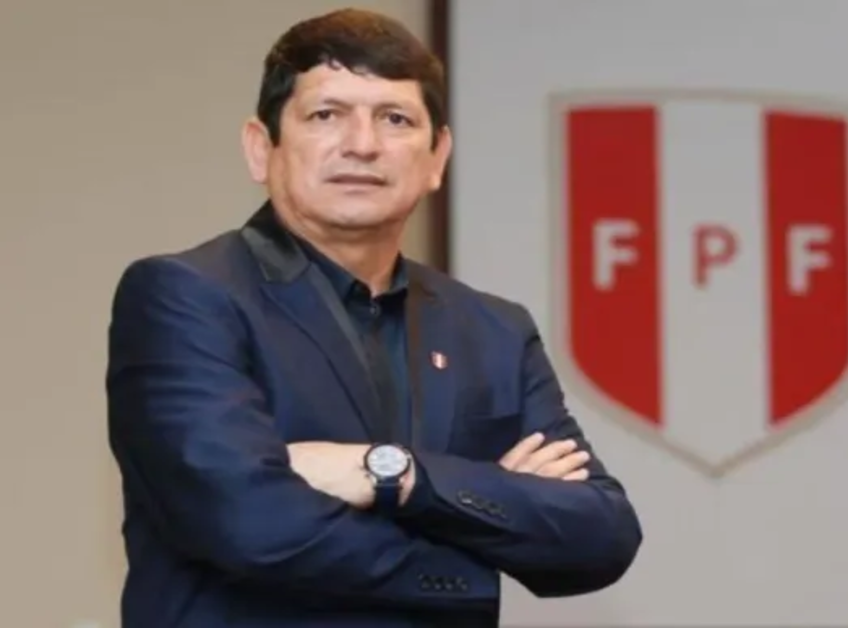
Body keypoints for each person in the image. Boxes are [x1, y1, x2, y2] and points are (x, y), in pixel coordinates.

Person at [104, 8, 642, 627]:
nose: (362, 144)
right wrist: (476, 546)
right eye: (326, 115)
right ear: (261, 147)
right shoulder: (187, 296)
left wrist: (393, 474)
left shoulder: (492, 329)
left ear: (438, 156)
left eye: (395, 119)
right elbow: (247, 522)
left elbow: (600, 533)